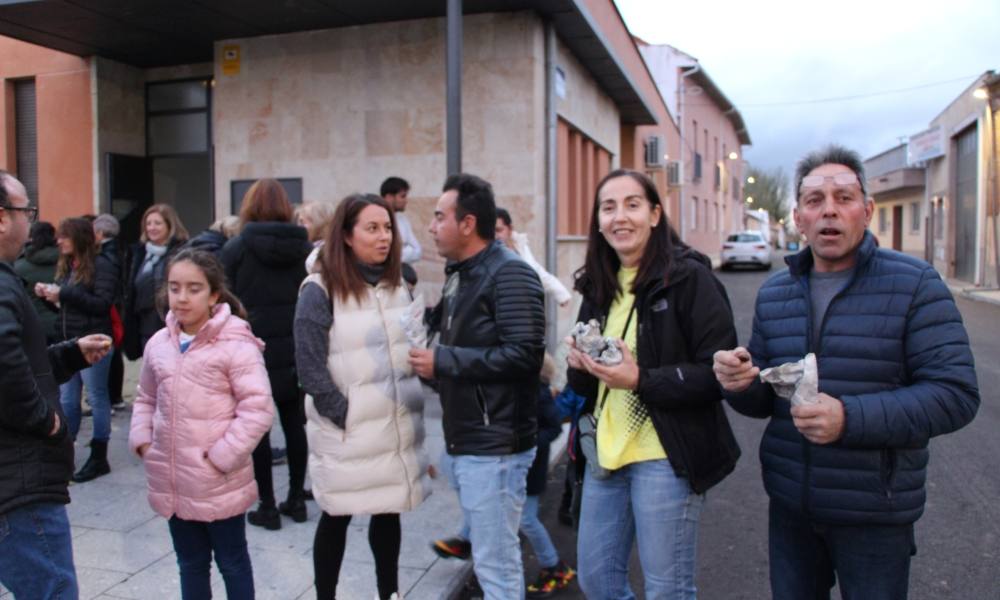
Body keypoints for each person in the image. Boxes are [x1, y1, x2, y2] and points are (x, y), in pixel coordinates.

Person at [713, 145, 980, 600]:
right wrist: (739, 384)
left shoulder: (916, 283)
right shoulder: (776, 291)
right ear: (798, 218)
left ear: (868, 210)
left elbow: (955, 394)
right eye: (815, 200)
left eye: (844, 197)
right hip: (792, 509)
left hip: (876, 514)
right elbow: (763, 396)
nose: (829, 210)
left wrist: (849, 418)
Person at [565, 169, 740, 599]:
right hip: (606, 452)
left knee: (667, 590)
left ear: (655, 214)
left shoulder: (689, 279)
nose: (619, 217)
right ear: (598, 221)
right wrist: (579, 365)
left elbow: (716, 375)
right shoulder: (599, 285)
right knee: (598, 580)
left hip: (665, 455)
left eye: (632, 204)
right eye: (608, 207)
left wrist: (640, 378)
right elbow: (586, 389)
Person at [409, 173, 545, 600]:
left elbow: (525, 356)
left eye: (438, 217)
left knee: (496, 563)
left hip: (496, 445)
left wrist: (444, 361)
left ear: (467, 224)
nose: (431, 227)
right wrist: (434, 364)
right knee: (490, 559)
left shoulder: (510, 275)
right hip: (471, 440)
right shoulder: (461, 274)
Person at [295, 193, 429, 600]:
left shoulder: (396, 286)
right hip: (348, 429)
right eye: (372, 228)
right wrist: (343, 413)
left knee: (387, 515)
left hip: (390, 426)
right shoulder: (319, 289)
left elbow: (407, 349)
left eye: (387, 227)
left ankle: (389, 592)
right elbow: (310, 366)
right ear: (347, 236)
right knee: (336, 515)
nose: (384, 236)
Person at [129, 248, 274, 600]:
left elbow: (257, 408)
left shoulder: (235, 344)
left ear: (213, 295)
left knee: (232, 562)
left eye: (193, 288)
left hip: (218, 481)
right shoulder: (159, 344)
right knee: (190, 564)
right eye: (174, 287)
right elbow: (145, 397)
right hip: (174, 481)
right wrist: (145, 442)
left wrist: (222, 457)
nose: (181, 297)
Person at [0, 170, 112, 599]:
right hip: (20, 485)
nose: (31, 221)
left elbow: (18, 362)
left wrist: (67, 355)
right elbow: (4, 364)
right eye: (25, 210)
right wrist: (45, 421)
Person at [221, 178, 313, 530]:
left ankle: (268, 506)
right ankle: (296, 499)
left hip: (251, 350)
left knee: (257, 430)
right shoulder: (304, 250)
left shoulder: (237, 247)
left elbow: (223, 297)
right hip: (294, 348)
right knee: (294, 424)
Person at [36, 217, 120, 482]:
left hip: (94, 340)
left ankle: (99, 455)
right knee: (67, 399)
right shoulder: (68, 265)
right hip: (69, 342)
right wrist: (50, 298)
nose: (58, 241)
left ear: (80, 238)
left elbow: (102, 303)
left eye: (64, 236)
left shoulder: (102, 264)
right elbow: (67, 306)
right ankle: (65, 451)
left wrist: (63, 294)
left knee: (96, 397)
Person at [123, 203, 189, 360]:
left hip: (170, 325)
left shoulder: (182, 253)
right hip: (144, 327)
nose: (152, 228)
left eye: (157, 223)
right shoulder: (139, 254)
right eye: (148, 223)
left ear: (170, 225)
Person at [495, 208, 572, 307]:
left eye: (499, 230)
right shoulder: (489, 251)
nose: (495, 235)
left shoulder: (519, 244)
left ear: (510, 229)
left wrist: (561, 294)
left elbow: (535, 269)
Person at [93, 214, 126, 409]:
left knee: (111, 351)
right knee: (115, 352)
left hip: (113, 307)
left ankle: (112, 397)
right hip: (116, 305)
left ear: (100, 232)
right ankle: (115, 397)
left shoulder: (106, 254)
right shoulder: (120, 249)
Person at [13, 221, 59, 343]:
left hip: (32, 328)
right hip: (63, 326)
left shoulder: (18, 267)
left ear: (31, 237)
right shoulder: (68, 263)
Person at [381, 177, 421, 264]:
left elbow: (417, 251)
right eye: (402, 196)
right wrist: (405, 249)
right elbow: (381, 254)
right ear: (389, 198)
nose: (406, 200)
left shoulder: (403, 221)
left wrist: (396, 253)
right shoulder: (376, 219)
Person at [297, 201, 337, 273]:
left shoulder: (324, 252)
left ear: (318, 222)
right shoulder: (334, 247)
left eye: (302, 222)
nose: (298, 227)